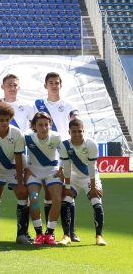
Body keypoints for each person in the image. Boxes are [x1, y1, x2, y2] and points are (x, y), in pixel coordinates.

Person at [32, 72, 80, 242]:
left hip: (65, 152)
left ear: (61, 85)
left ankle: (70, 231)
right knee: (47, 195)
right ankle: (47, 232)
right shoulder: (38, 104)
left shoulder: (68, 104)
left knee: (67, 192)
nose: (54, 85)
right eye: (50, 82)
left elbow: (76, 121)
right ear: (45, 85)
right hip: (45, 154)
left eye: (57, 82)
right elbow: (31, 126)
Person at [0, 103, 30, 245]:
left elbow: (18, 158)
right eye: (1, 120)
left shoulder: (17, 134)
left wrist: (21, 184)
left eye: (7, 120)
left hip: (11, 169)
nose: (4, 123)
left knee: (23, 194)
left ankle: (21, 234)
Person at [58, 119, 107, 246]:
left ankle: (99, 236)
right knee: (66, 201)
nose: (77, 134)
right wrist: (67, 186)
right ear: (69, 132)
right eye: (74, 132)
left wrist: (93, 186)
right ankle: (66, 235)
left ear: (83, 131)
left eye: (79, 131)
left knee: (96, 200)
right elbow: (67, 167)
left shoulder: (91, 144)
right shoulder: (64, 145)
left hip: (90, 177)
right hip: (73, 178)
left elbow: (91, 167)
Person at [24, 112, 63, 246]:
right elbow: (18, 152)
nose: (44, 128)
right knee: (34, 199)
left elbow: (64, 155)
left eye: (46, 124)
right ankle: (39, 234)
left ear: (50, 125)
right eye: (40, 125)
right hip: (34, 171)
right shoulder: (28, 137)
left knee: (57, 200)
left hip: (52, 171)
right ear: (34, 126)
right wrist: (26, 168)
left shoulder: (57, 137)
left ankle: (50, 233)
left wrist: (61, 169)